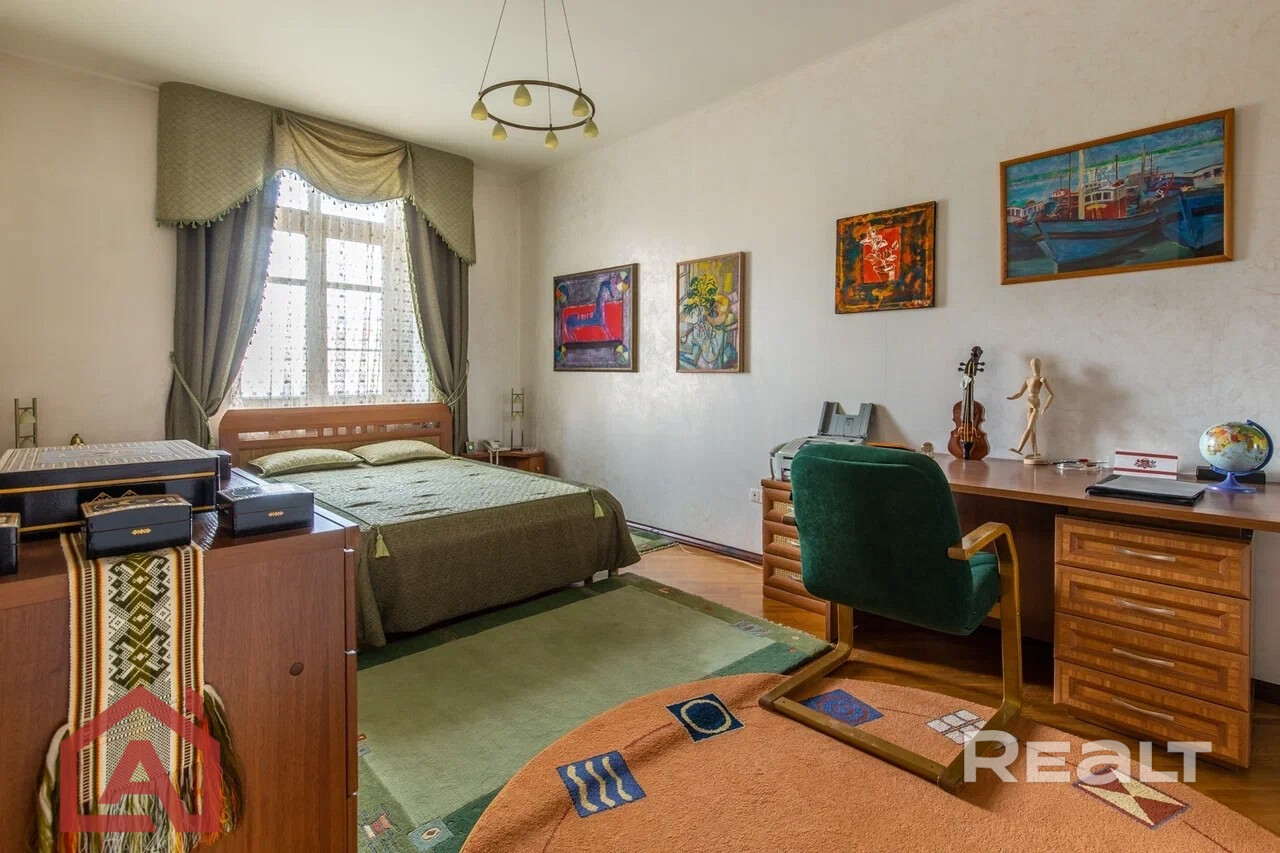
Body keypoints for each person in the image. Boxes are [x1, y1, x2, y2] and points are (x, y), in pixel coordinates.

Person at [1007, 358, 1054, 461]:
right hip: (1029, 404)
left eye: (1036, 365)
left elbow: (1051, 394)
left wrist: (1045, 407)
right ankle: (1035, 452)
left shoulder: (1042, 379)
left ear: (1040, 366)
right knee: (1032, 430)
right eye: (1033, 365)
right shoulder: (1028, 379)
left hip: (1036, 405)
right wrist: (1013, 397)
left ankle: (1019, 449)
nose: (1034, 367)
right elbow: (1020, 393)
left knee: (1029, 428)